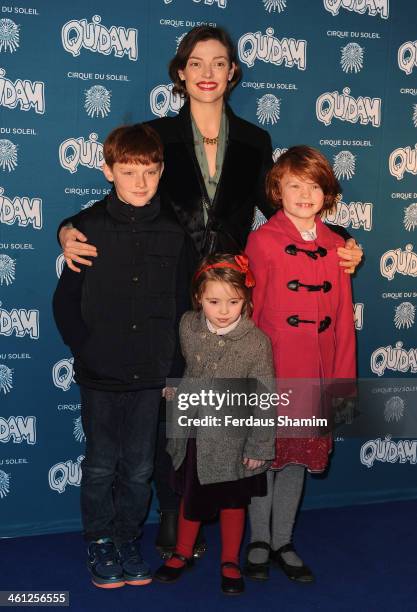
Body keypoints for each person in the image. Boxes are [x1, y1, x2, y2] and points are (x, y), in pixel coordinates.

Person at [56, 26, 363, 554]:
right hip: (167, 287)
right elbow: (119, 198)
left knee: (223, 406)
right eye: (196, 63)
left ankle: (222, 508)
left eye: (218, 63)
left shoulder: (255, 141)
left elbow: (285, 211)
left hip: (231, 293)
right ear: (180, 73)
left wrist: (345, 243)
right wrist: (64, 228)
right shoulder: (157, 136)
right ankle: (176, 509)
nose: (206, 73)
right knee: (171, 403)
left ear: (232, 73)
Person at [53, 124, 191, 589]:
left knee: (138, 468)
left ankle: (129, 538)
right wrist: (86, 349)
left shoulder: (175, 233)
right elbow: (64, 302)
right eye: (128, 171)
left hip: (153, 376)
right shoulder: (86, 229)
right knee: (99, 464)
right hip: (101, 374)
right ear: (107, 170)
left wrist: (175, 369)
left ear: (161, 171)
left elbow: (184, 306)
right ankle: (99, 542)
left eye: (149, 172)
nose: (139, 182)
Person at [244, 146, 357, 583]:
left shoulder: (338, 246)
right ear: (277, 190)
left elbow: (344, 321)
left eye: (313, 186)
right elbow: (249, 314)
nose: (304, 195)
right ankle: (257, 538)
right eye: (294, 185)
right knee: (261, 457)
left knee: (294, 462)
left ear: (327, 193)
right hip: (270, 371)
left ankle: (282, 540)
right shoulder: (262, 240)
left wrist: (342, 387)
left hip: (316, 372)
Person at [154, 253, 276, 595]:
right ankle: (181, 552)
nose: (223, 310)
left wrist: (259, 446)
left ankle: (230, 560)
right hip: (193, 434)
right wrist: (176, 392)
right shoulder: (188, 326)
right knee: (190, 497)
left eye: (234, 301)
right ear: (198, 299)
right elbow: (189, 370)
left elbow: (265, 398)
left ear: (246, 300)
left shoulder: (257, 343)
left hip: (233, 440)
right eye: (213, 301)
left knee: (233, 502)